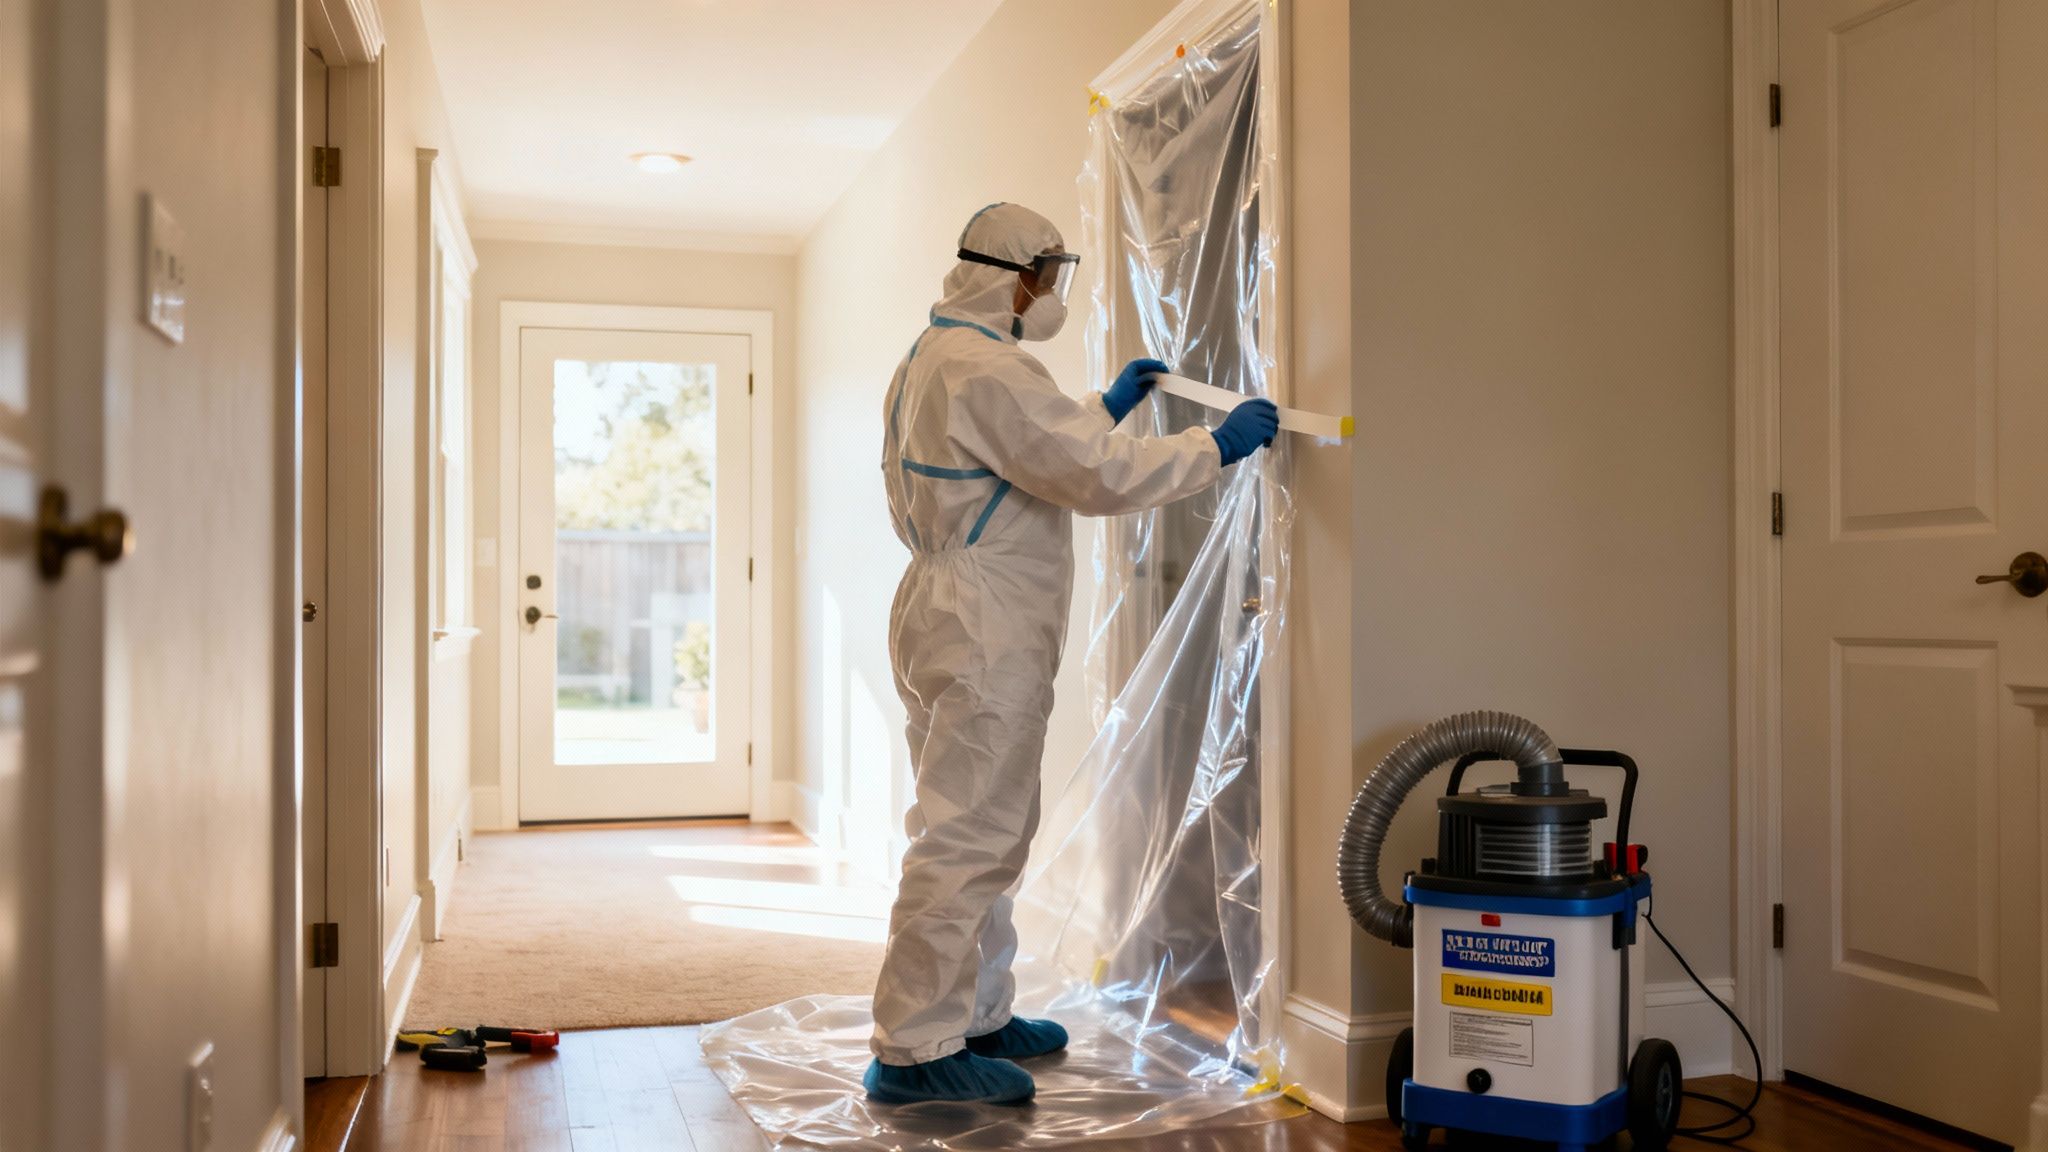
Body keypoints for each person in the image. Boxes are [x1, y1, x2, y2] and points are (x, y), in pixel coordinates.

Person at [864, 202, 1279, 1106]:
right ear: (1012, 276)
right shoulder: (990, 367)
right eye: (1047, 274)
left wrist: (1105, 407)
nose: (1052, 291)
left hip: (942, 608)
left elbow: (1034, 449)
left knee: (984, 825)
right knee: (970, 834)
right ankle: (914, 1048)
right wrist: (1212, 447)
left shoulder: (937, 354)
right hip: (984, 623)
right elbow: (1093, 475)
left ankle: (976, 1015)